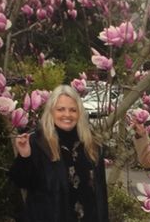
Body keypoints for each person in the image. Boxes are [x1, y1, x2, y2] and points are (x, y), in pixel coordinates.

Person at [8, 84, 109, 222]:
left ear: (79, 113)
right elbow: (22, 182)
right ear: (51, 112)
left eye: (73, 110)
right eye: (61, 109)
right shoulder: (38, 143)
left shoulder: (92, 146)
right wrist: (24, 157)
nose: (67, 115)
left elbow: (100, 195)